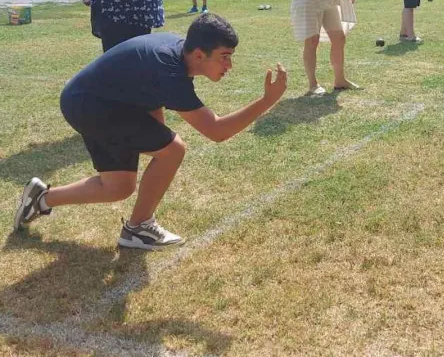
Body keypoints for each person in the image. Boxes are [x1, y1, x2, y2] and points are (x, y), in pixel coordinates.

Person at [14, 14, 288, 249]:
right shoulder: (170, 72)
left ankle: (41, 199)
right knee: (173, 150)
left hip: (92, 101)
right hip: (91, 106)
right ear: (199, 54)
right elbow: (216, 131)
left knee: (118, 187)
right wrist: (267, 101)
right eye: (224, 57)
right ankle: (138, 228)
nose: (229, 66)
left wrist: (155, 144)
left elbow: (149, 95)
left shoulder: (178, 56)